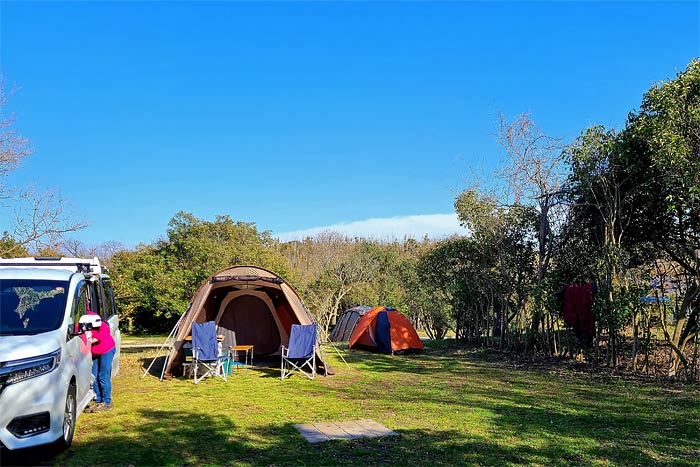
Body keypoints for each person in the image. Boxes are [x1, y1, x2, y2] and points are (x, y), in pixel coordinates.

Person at [84, 311, 116, 412]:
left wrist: (91, 339)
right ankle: (98, 400)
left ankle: (106, 402)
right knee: (94, 376)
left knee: (103, 376)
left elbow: (98, 337)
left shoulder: (103, 326)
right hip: (96, 352)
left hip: (106, 350)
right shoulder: (86, 325)